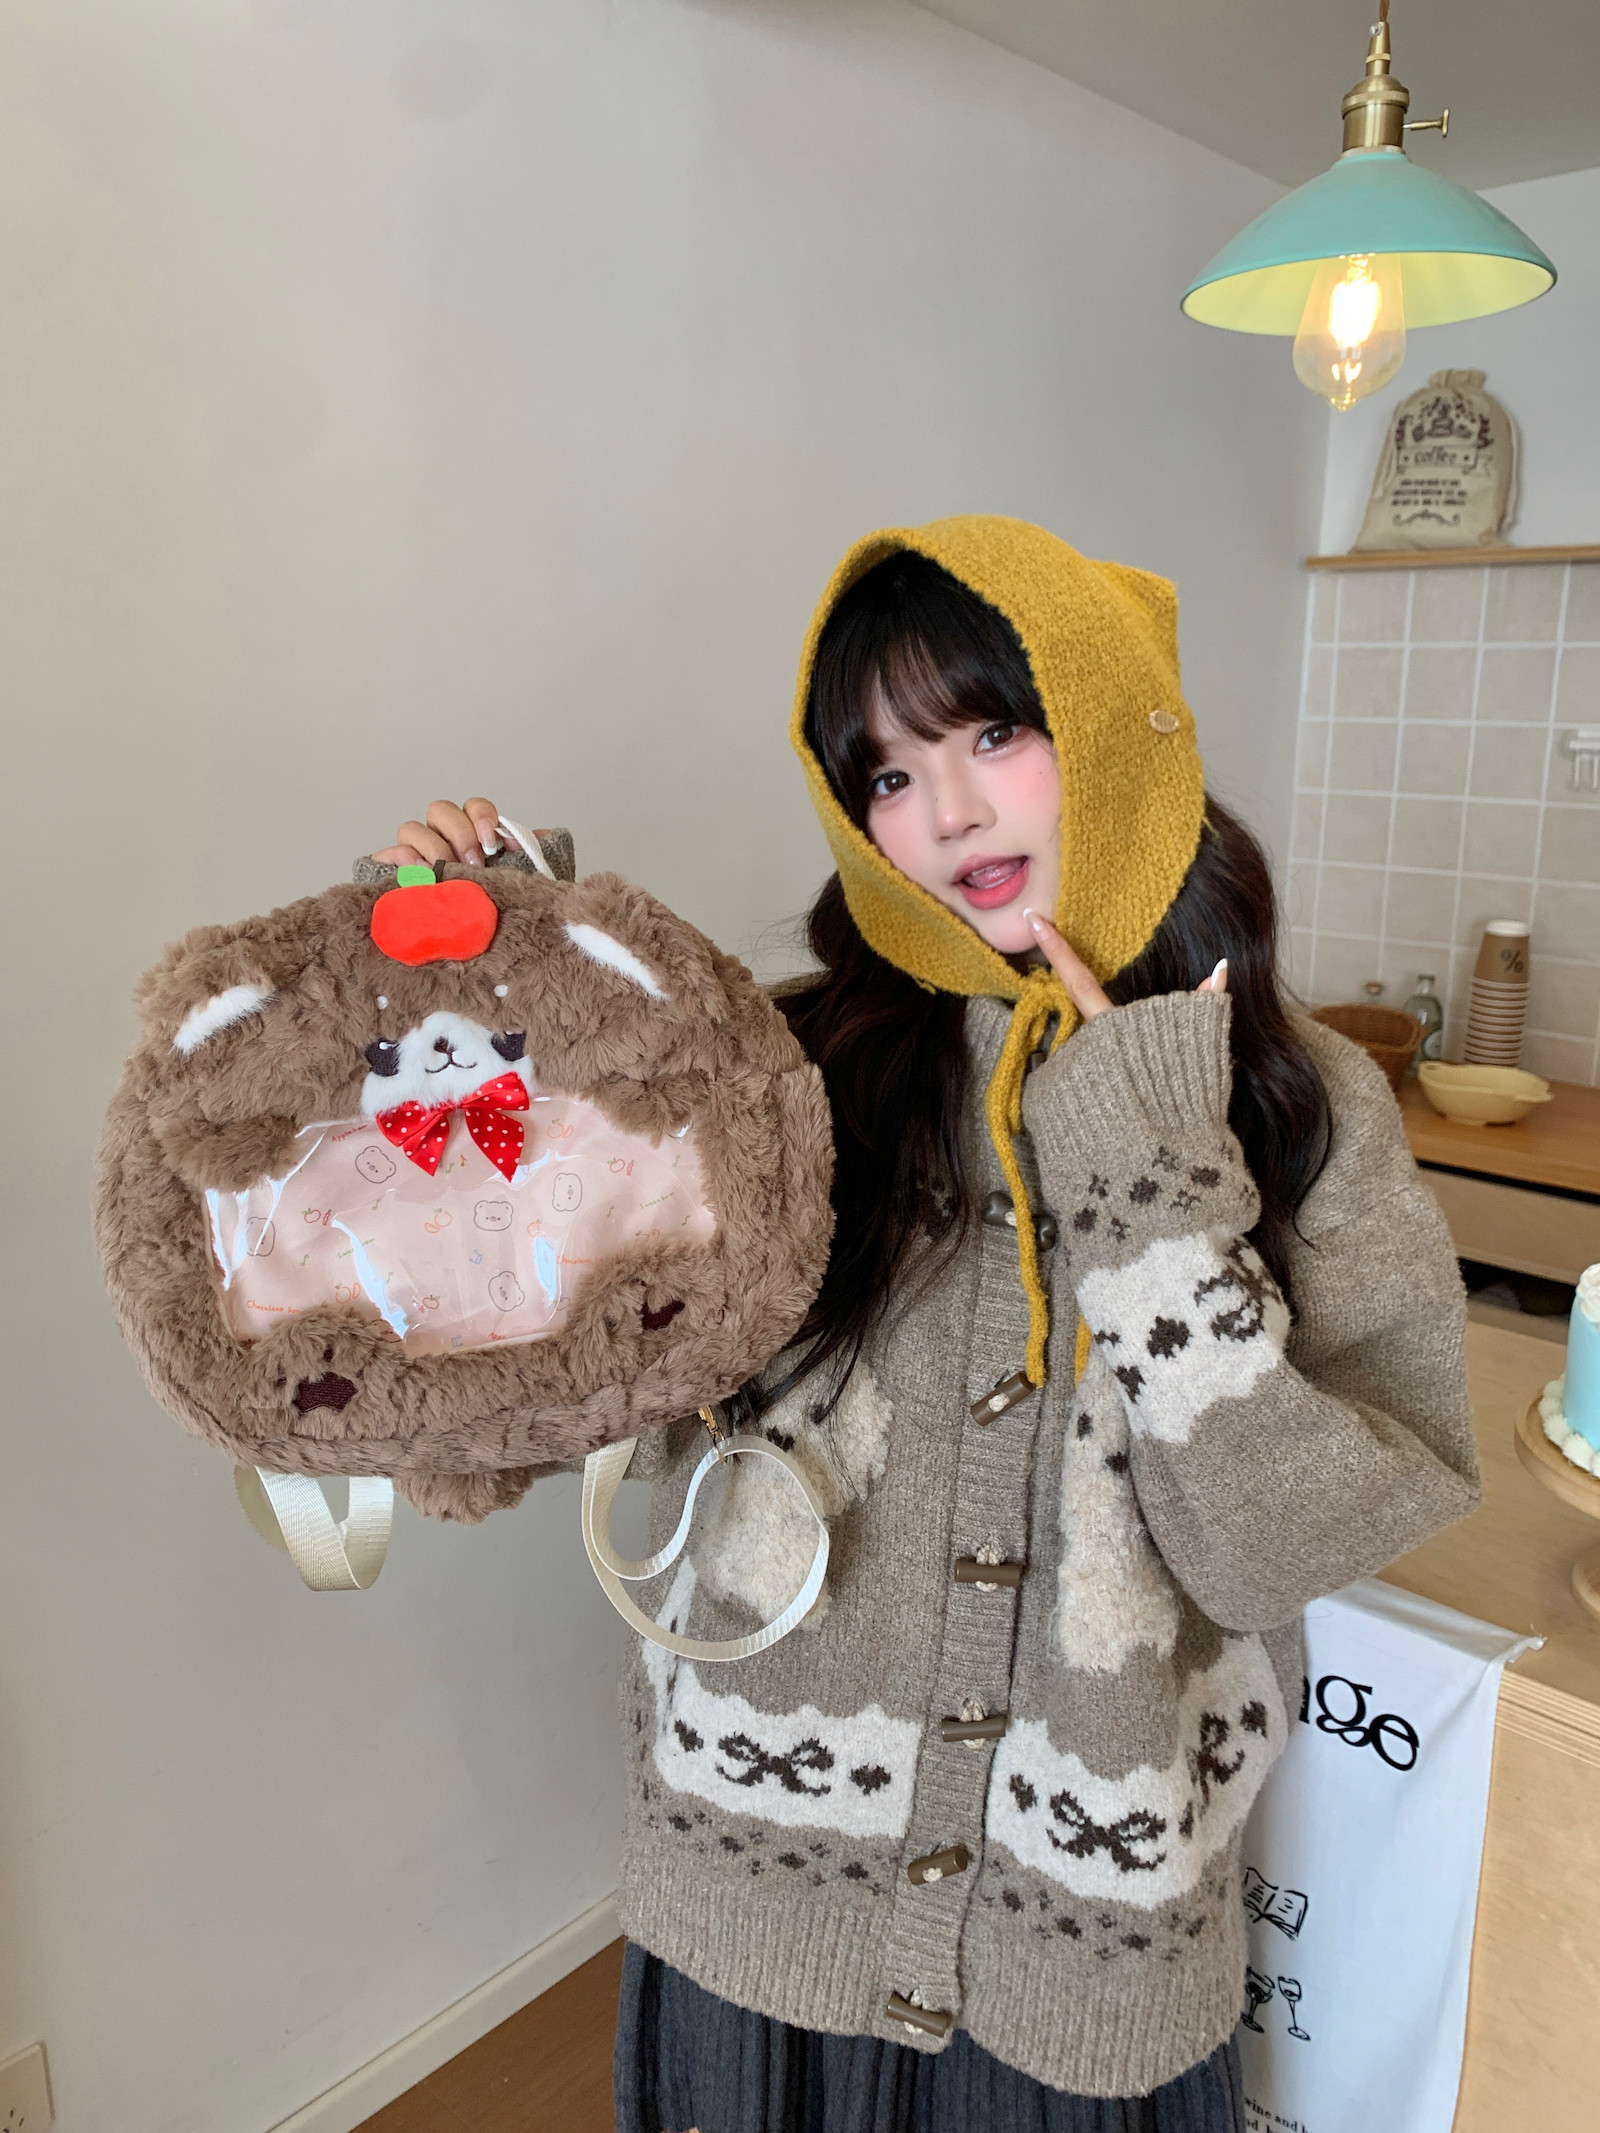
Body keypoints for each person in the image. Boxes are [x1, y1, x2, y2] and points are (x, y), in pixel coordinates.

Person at [377, 516, 1478, 2133]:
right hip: (756, 1891)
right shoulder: (795, 1063)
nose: (947, 810)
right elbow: (554, 1349)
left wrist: (1150, 1174)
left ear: (1113, 730)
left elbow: (1275, 1546)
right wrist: (508, 989)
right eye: (887, 772)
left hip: (1088, 1945)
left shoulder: (1295, 1096)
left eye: (993, 732)